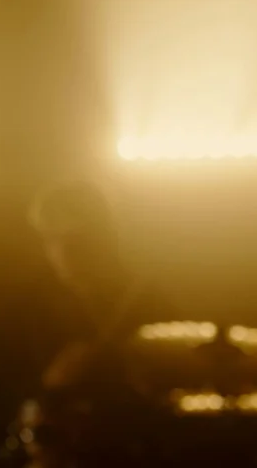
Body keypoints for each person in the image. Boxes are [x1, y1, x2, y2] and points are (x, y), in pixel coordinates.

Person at [21, 180, 177, 468]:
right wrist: (47, 385)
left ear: (102, 239)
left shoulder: (146, 302)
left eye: (75, 240)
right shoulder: (36, 308)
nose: (62, 253)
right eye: (52, 240)